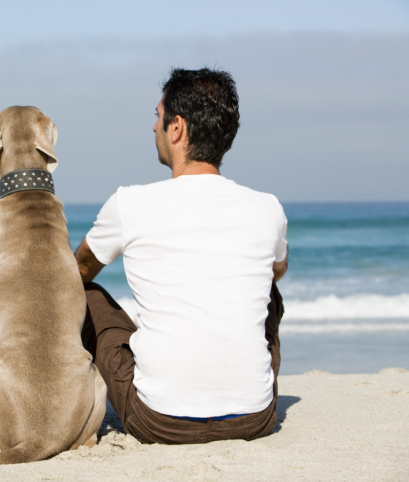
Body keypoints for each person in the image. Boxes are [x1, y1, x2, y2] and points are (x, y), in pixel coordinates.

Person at [74, 68, 288, 444]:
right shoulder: (267, 207)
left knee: (85, 295)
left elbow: (77, 271)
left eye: (157, 117)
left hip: (159, 421)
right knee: (267, 289)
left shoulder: (130, 203)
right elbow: (276, 272)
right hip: (254, 418)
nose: (153, 127)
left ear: (177, 128)